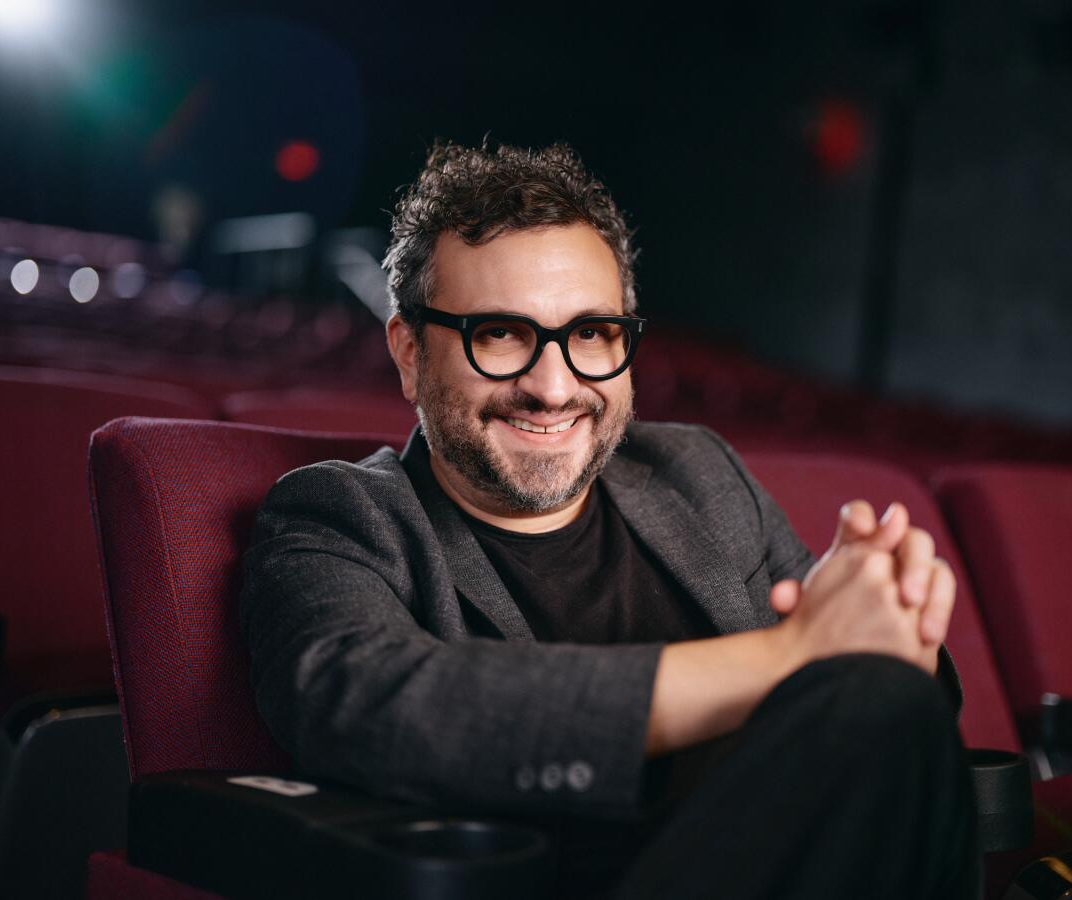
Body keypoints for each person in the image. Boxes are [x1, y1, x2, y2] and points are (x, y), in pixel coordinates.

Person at [240, 142, 978, 899]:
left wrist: (890, 632)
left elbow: (860, 713)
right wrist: (794, 657)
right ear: (407, 353)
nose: (553, 386)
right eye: (499, 334)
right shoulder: (340, 515)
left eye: (591, 334)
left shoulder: (696, 471)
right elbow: (374, 709)